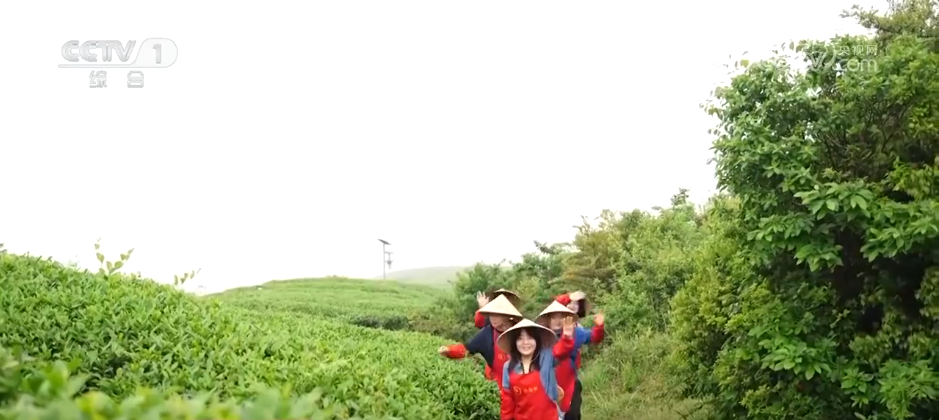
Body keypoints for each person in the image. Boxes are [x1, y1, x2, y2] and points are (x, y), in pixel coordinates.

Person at [535, 300, 605, 420]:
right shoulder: (541, 337)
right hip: (546, 384)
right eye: (554, 317)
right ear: (548, 319)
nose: (558, 321)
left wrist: (599, 327)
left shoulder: (575, 333)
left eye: (561, 317)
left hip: (570, 383)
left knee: (572, 415)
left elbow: (593, 336)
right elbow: (556, 354)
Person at [497, 317, 577, 420]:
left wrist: (567, 338)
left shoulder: (546, 357)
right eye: (520, 338)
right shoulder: (508, 367)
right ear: (514, 342)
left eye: (530, 338)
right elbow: (507, 399)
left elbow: (561, 352)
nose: (525, 342)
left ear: (536, 340)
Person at [439, 294, 523, 390]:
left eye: (497, 314)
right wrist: (449, 350)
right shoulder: (486, 334)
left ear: (507, 315)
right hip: (500, 385)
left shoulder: (522, 329)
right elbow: (467, 348)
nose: (492, 318)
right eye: (491, 314)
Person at [473, 288, 523, 380]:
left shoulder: (517, 324)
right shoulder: (492, 320)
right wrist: (482, 308)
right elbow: (479, 323)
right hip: (494, 374)